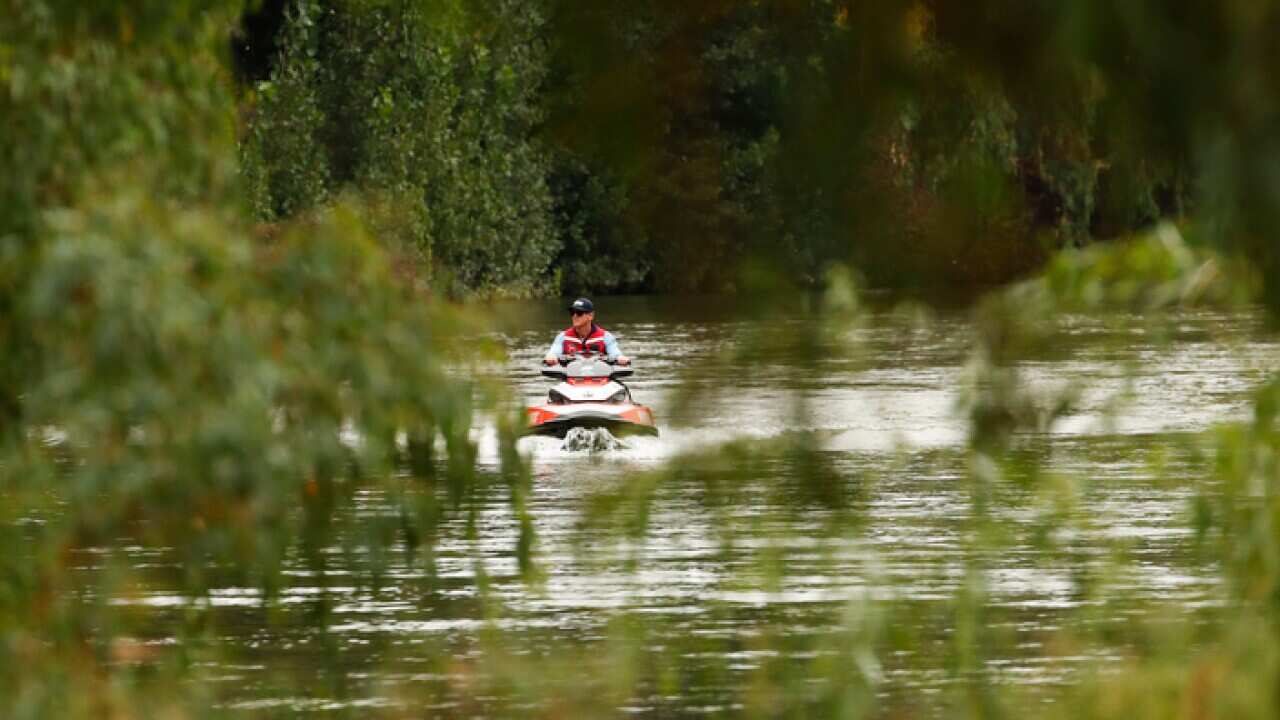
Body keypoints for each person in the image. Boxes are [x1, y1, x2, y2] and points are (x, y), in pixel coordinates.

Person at [543, 298, 631, 366]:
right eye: (572, 312)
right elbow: (554, 352)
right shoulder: (562, 337)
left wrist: (620, 358)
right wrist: (551, 357)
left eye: (579, 313)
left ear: (591, 316)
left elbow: (615, 353)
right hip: (571, 380)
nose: (574, 316)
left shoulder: (605, 337)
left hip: (600, 379)